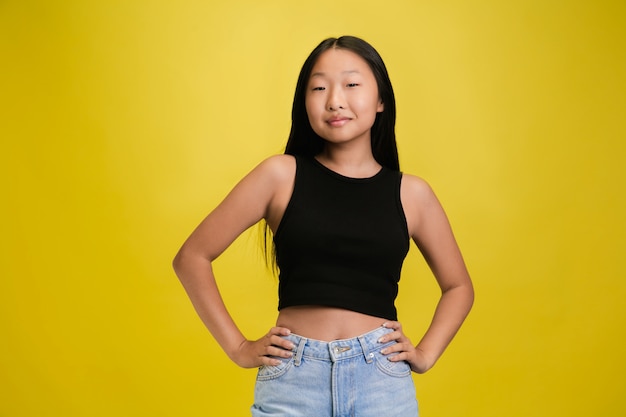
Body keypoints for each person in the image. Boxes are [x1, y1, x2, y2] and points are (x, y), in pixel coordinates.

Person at [173, 35, 474, 417]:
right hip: (293, 382)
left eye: (351, 84)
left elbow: (459, 286)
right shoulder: (280, 175)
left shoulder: (412, 194)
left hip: (381, 382)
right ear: (305, 102)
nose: (334, 100)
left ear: (381, 99)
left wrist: (427, 353)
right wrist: (238, 347)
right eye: (318, 87)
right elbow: (192, 257)